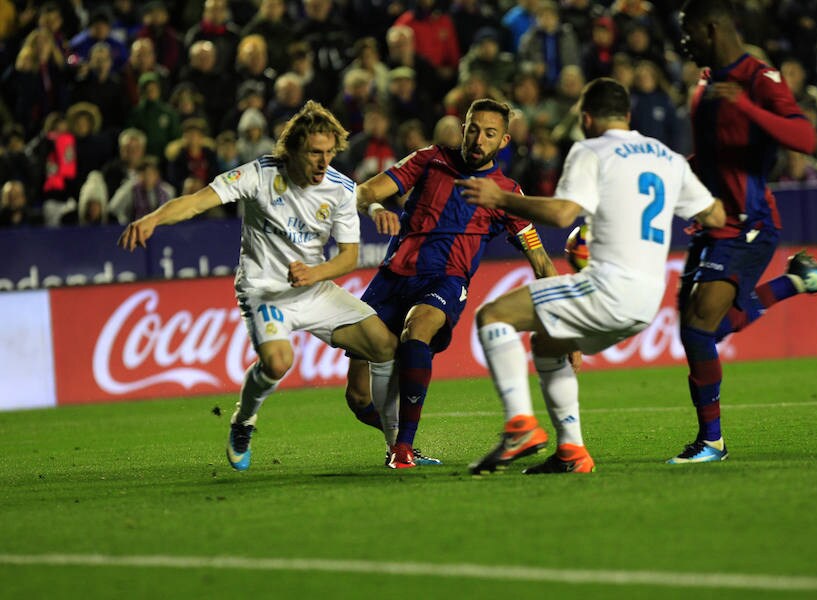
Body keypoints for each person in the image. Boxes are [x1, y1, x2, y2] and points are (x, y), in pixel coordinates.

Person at [457, 78, 725, 475]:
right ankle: (572, 452)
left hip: (607, 287)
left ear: (586, 117)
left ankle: (520, 426)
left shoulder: (592, 150)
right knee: (548, 344)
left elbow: (565, 214)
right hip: (647, 300)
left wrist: (502, 198)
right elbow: (715, 216)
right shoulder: (667, 157)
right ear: (628, 115)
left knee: (492, 316)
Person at [117, 101, 398, 472]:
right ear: (295, 147)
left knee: (385, 345)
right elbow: (198, 201)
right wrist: (153, 219)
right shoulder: (260, 175)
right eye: (315, 152)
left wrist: (315, 274)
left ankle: (399, 447)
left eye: (330, 153)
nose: (323, 162)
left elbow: (349, 257)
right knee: (279, 361)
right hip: (265, 289)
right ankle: (243, 421)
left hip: (313, 289)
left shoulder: (340, 189)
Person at [670, 0, 817, 464]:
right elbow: (711, 157)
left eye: (688, 35)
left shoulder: (758, 78)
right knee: (700, 334)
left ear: (712, 28)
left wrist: (749, 109)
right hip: (712, 223)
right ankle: (797, 281)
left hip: (749, 224)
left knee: (698, 331)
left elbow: (805, 138)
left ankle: (712, 442)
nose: (683, 44)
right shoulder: (704, 84)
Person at [346, 98, 562, 469]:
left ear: (504, 141)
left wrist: (562, 325)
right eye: (473, 129)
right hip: (392, 276)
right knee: (358, 397)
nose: (479, 139)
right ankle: (400, 437)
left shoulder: (504, 192)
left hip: (445, 280)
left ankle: (402, 449)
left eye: (489, 134)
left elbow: (541, 262)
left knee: (418, 330)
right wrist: (379, 209)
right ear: (463, 128)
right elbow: (364, 192)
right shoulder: (429, 159)